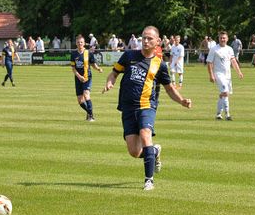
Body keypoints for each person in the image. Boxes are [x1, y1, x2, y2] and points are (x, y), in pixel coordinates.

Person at [102, 26, 192, 191]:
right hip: (128, 108)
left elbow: (169, 89)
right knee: (134, 151)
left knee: (145, 135)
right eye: (143, 37)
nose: (145, 41)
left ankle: (148, 180)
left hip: (147, 106)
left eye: (149, 38)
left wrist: (181, 101)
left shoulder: (160, 65)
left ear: (158, 42)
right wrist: (110, 81)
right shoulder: (129, 56)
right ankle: (154, 152)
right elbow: (114, 73)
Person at [207, 31, 244, 121]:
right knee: (225, 92)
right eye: (221, 38)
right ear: (218, 39)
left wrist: (239, 72)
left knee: (223, 94)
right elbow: (209, 62)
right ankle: (227, 114)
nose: (222, 39)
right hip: (218, 74)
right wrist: (211, 75)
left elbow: (233, 61)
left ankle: (218, 114)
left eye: (224, 38)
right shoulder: (214, 49)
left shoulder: (229, 49)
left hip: (228, 75)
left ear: (227, 39)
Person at [71, 34, 103, 121]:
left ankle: (91, 116)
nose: (80, 44)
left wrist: (98, 68)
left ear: (84, 43)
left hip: (87, 77)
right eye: (78, 42)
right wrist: (79, 76)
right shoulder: (73, 54)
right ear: (76, 43)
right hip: (78, 78)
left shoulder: (88, 53)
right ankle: (89, 112)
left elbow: (93, 64)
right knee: (80, 101)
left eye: (81, 42)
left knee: (86, 94)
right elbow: (73, 68)